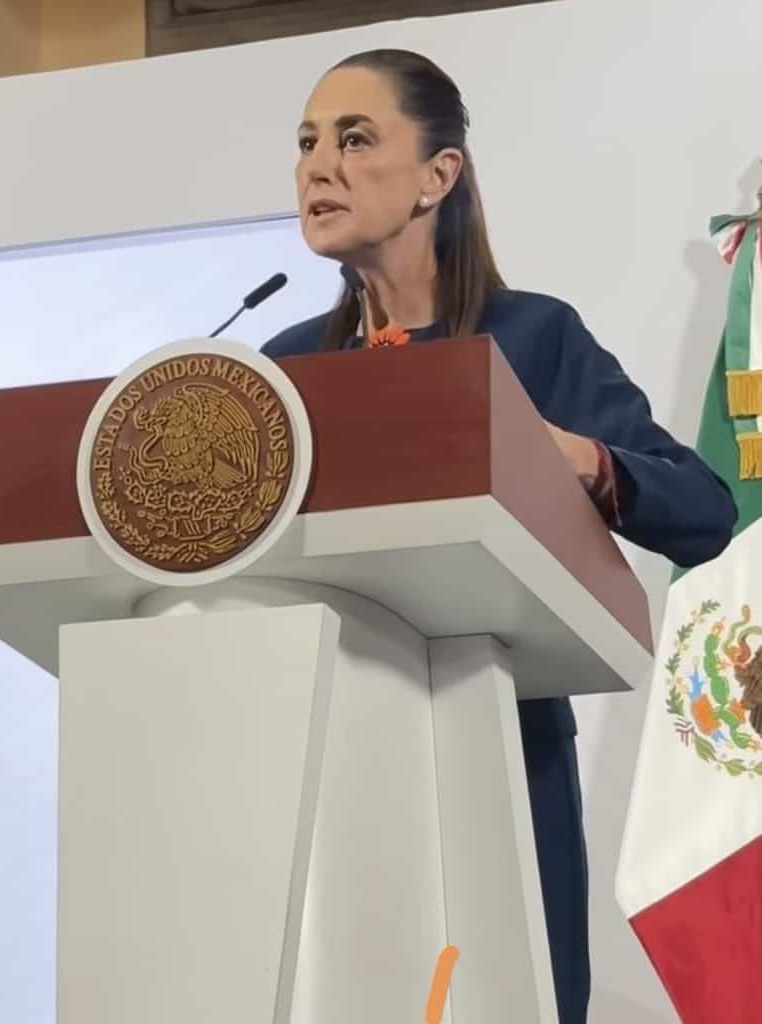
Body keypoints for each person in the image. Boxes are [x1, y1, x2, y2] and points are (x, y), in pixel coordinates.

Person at [260, 48, 737, 1023]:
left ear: (438, 175)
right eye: (307, 142)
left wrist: (579, 459)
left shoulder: (528, 340)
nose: (318, 166)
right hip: (326, 752)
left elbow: (702, 506)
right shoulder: (281, 366)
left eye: (354, 139)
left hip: (499, 750)